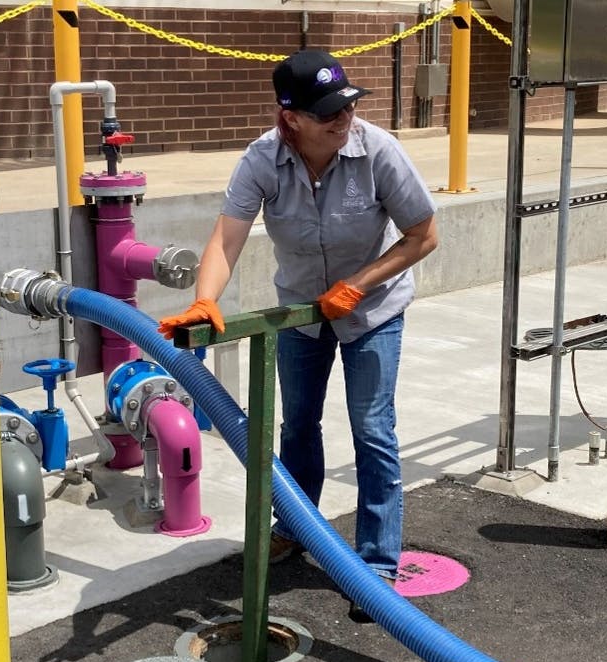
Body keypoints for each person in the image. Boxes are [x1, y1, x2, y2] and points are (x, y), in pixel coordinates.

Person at [158, 49, 438, 622]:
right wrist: (205, 298)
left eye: (348, 104)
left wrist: (357, 286)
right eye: (328, 110)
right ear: (291, 117)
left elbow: (423, 235)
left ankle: (378, 564)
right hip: (300, 314)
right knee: (297, 424)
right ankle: (295, 526)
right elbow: (227, 238)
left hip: (373, 312)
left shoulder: (378, 151)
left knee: (372, 428)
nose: (344, 117)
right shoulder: (262, 159)